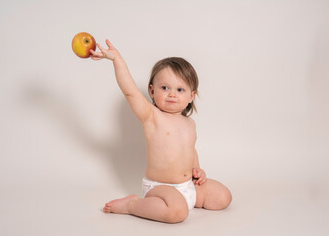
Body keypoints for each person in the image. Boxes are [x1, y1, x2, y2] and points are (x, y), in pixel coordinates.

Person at [90, 39, 232, 223]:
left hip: (188, 186)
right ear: (152, 90)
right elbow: (130, 91)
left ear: (191, 96)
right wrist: (116, 59)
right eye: (165, 88)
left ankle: (186, 200)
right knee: (178, 213)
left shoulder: (189, 124)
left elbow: (190, 149)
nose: (172, 94)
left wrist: (197, 169)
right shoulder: (152, 116)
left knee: (223, 197)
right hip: (160, 188)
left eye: (180, 89)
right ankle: (132, 205)